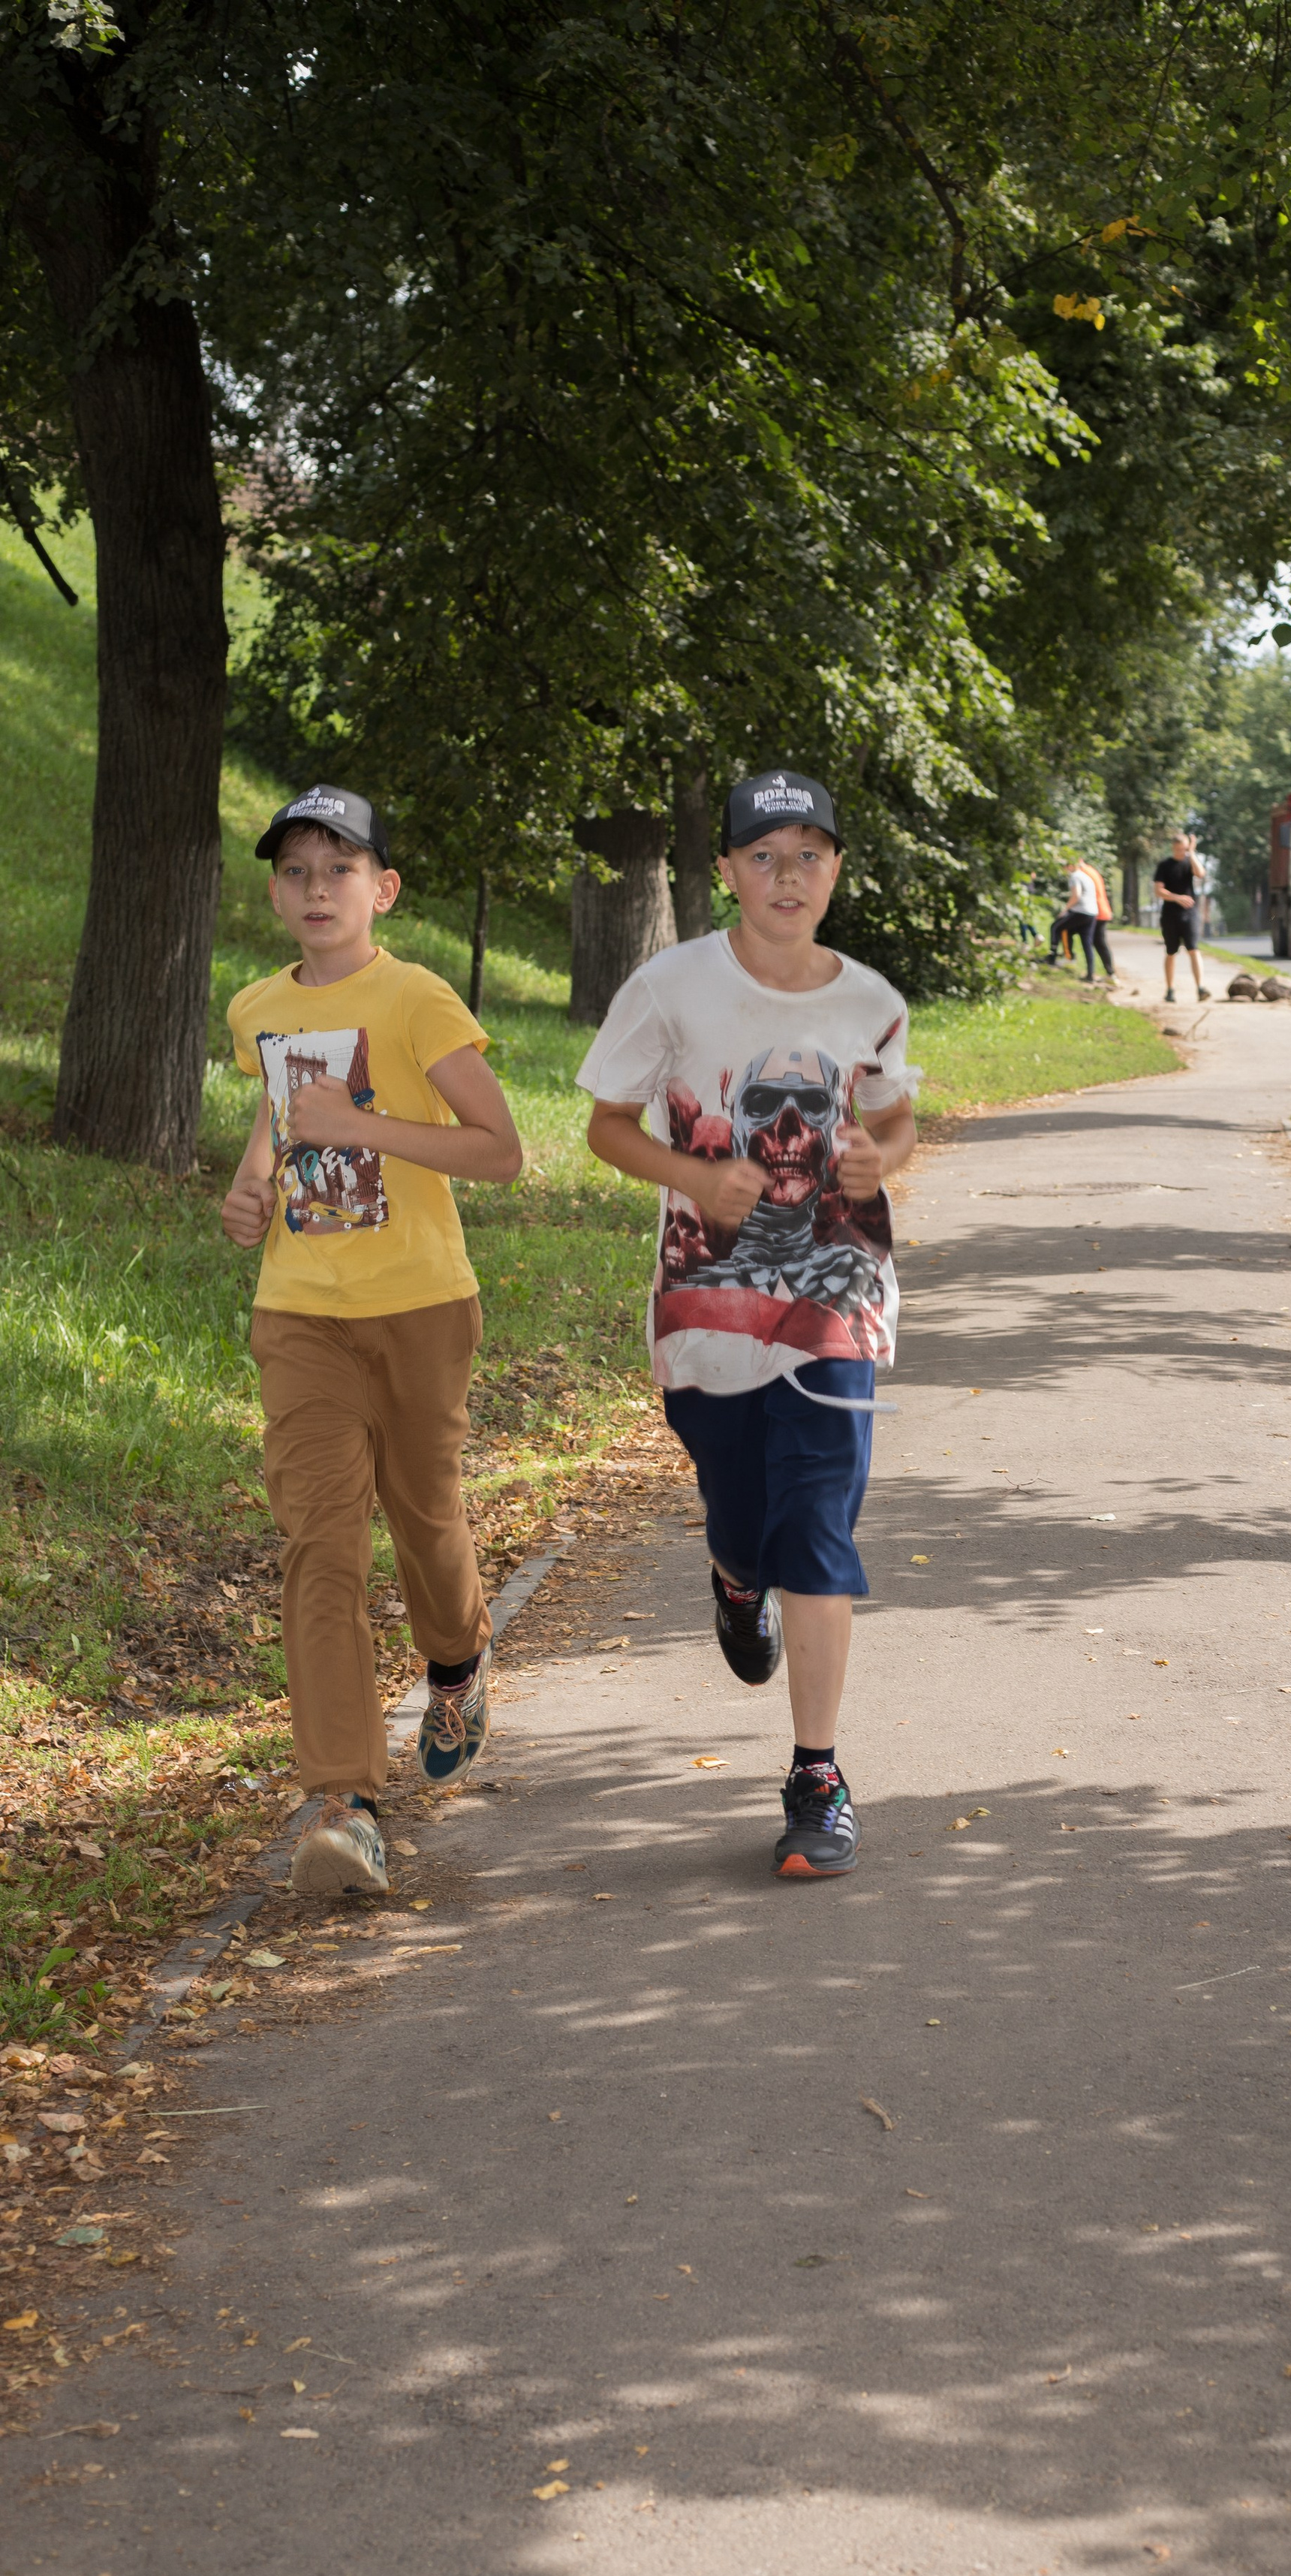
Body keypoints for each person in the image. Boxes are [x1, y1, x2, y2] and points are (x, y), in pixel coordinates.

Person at [578, 768, 917, 1881]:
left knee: (819, 1523)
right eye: (762, 856)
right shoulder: (672, 988)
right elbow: (606, 1127)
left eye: (808, 855)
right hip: (707, 1308)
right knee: (737, 1498)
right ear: (724, 871)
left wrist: (882, 1155)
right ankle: (734, 1573)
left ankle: (817, 1771)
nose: (787, 876)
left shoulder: (867, 997)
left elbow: (893, 1110)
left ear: (836, 870)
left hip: (839, 1295)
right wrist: (692, 1173)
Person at [221, 785, 524, 1897]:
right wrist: (248, 1192)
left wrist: (366, 1127)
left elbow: (500, 1150)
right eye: (296, 871)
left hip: (420, 1307)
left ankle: (457, 1660)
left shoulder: (416, 1000)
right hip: (301, 1312)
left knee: (426, 1516)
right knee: (318, 1546)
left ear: (381, 891)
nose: (315, 889)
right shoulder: (256, 1007)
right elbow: (275, 1123)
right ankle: (342, 1798)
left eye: (338, 869)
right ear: (275, 892)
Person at [1152, 831, 1211, 1003]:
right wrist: (1177, 898)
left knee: (1193, 949)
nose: (1181, 852)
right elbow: (1158, 891)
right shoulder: (1164, 865)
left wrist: (1192, 853)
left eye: (1184, 848)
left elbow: (1200, 873)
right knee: (1171, 952)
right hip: (1170, 915)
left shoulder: (1189, 863)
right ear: (1173, 847)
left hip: (1190, 914)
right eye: (1178, 849)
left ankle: (1200, 988)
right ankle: (1170, 990)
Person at [1070, 855, 1117, 981]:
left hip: (1096, 911)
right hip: (1101, 910)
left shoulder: (1082, 873)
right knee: (1099, 942)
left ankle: (1073, 963)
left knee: (1092, 941)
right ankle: (1110, 973)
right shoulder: (1091, 870)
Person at [1059, 857, 1099, 977]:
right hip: (1093, 912)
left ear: (1070, 866)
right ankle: (1090, 974)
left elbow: (1076, 896)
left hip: (1081, 912)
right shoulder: (1086, 876)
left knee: (1059, 928)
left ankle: (1066, 958)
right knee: (1087, 943)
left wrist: (1065, 910)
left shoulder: (1075, 876)